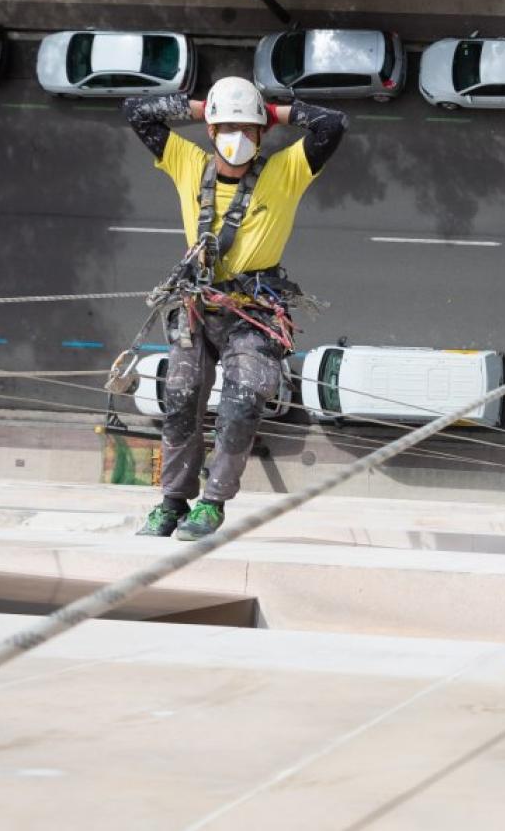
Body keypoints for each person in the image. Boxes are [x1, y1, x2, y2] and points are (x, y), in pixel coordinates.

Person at [122, 77, 348, 540]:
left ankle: (213, 502)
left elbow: (331, 125)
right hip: (198, 305)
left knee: (244, 398)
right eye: (227, 127)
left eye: (248, 129)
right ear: (210, 130)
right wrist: (207, 106)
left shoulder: (285, 171)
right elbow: (137, 112)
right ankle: (171, 502)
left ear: (262, 133)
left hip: (254, 313)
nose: (237, 138)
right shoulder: (188, 163)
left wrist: (271, 111)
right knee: (182, 398)